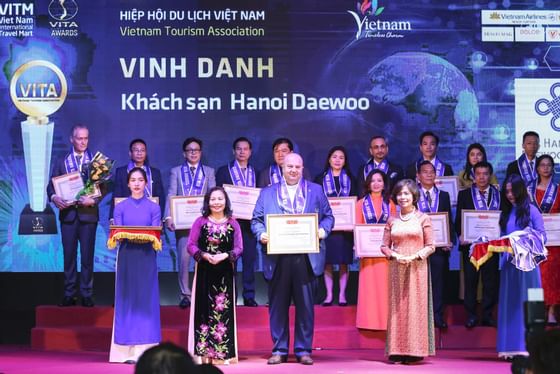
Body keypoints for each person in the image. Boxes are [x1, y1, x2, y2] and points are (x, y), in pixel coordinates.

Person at [251, 153, 334, 365]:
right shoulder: (268, 193)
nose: (293, 170)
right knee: (277, 306)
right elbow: (256, 220)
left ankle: (303, 349)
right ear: (282, 167)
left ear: (302, 168)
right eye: (289, 166)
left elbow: (328, 218)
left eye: (297, 166)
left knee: (306, 306)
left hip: (306, 257)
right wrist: (261, 234)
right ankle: (279, 349)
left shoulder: (315, 191)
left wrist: (321, 233)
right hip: (277, 256)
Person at [380, 179, 435, 364]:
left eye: (406, 194)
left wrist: (416, 256)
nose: (403, 197)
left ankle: (415, 350)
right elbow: (384, 246)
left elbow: (431, 245)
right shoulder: (392, 219)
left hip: (417, 267)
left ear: (414, 196)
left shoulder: (423, 218)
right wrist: (394, 255)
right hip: (397, 267)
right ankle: (396, 349)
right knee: (397, 308)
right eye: (399, 194)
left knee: (415, 307)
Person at [109, 167, 161, 363]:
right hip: (127, 258)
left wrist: (139, 235)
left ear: (146, 183)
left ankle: (146, 350)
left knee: (146, 301)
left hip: (147, 258)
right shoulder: (120, 207)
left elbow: (155, 233)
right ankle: (126, 351)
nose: (137, 183)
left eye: (141, 180)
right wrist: (136, 234)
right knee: (127, 300)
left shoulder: (154, 207)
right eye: (133, 180)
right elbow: (118, 233)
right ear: (128, 183)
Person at [187, 187, 243, 364]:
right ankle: (203, 354)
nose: (217, 202)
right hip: (204, 271)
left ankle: (222, 354)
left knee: (222, 311)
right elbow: (191, 245)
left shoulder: (233, 223)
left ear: (226, 201)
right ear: (207, 202)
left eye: (220, 199)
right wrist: (204, 255)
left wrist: (225, 255)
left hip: (225, 273)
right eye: (213, 199)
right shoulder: (200, 222)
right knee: (203, 311)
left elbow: (239, 248)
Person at [47, 124, 100, 307]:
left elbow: (104, 187)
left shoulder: (96, 161)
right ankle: (69, 293)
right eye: (79, 138)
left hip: (88, 215)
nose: (83, 141)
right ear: (72, 139)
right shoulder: (62, 160)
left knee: (87, 257)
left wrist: (93, 200)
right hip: (68, 215)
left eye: (86, 138)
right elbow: (50, 186)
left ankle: (86, 293)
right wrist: (54, 197)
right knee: (69, 256)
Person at [497, 174, 547, 358]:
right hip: (510, 267)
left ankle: (528, 347)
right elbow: (502, 238)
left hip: (528, 267)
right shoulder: (506, 212)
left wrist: (523, 239)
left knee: (527, 304)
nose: (510, 195)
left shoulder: (532, 211)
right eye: (507, 191)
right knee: (510, 305)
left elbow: (542, 237)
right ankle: (508, 348)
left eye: (513, 191)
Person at [164, 137, 216, 309]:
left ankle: (203, 293)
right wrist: (169, 216)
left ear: (201, 152)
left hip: (204, 224)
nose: (193, 153)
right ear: (184, 153)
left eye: (196, 150)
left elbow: (213, 196)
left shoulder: (208, 171)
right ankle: (185, 294)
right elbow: (171, 193)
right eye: (189, 150)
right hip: (183, 224)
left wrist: (214, 219)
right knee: (184, 260)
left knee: (204, 260)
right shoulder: (176, 171)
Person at [455, 161, 500, 328]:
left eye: (485, 174)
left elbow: (501, 218)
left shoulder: (498, 194)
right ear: (474, 176)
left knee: (490, 282)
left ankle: (487, 315)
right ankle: (471, 315)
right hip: (471, 246)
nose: (482, 177)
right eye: (478, 174)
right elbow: (458, 220)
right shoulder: (465, 195)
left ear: (490, 175)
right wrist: (461, 235)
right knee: (471, 281)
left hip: (491, 245)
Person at [215, 137, 258, 307]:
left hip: (248, 225)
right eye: (238, 149)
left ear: (250, 152)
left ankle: (249, 295)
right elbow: (218, 196)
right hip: (228, 224)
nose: (242, 152)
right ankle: (228, 296)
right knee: (228, 262)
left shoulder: (255, 172)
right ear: (233, 151)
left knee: (249, 261)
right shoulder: (223, 171)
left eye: (245, 149)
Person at [315, 146, 356, 306]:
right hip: (327, 227)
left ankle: (343, 295)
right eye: (334, 157)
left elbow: (356, 201)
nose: (337, 160)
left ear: (345, 161)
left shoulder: (352, 178)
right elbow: (316, 202)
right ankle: (329, 295)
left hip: (345, 229)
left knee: (344, 262)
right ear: (329, 159)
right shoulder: (320, 179)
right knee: (328, 261)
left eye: (341, 157)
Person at [355, 169, 396, 330]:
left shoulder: (391, 203)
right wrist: (358, 246)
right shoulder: (360, 203)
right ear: (368, 184)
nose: (376, 184)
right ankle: (368, 321)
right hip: (368, 255)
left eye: (379, 180)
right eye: (373, 181)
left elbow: (394, 227)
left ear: (384, 184)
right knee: (369, 289)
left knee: (385, 287)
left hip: (385, 254)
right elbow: (357, 226)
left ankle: (387, 322)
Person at [416, 160, 454, 329]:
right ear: (418, 176)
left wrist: (449, 239)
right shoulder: (412, 195)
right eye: (425, 172)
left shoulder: (444, 195)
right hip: (418, 248)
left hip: (439, 248)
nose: (429, 174)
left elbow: (449, 222)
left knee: (438, 284)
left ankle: (437, 316)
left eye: (432, 171)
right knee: (419, 284)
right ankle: (420, 318)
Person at [530, 155, 560, 322]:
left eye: (549, 165)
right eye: (542, 165)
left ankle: (551, 312)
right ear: (537, 168)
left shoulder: (559, 190)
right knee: (537, 276)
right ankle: (537, 312)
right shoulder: (529, 190)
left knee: (554, 277)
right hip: (535, 242)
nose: (546, 168)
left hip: (555, 242)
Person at [110, 138, 165, 222]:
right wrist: (112, 217)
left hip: (150, 215)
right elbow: (116, 195)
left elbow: (160, 196)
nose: (139, 153)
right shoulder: (121, 171)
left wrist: (160, 218)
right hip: (128, 215)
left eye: (142, 150)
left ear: (146, 153)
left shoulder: (155, 172)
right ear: (130, 153)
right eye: (136, 150)